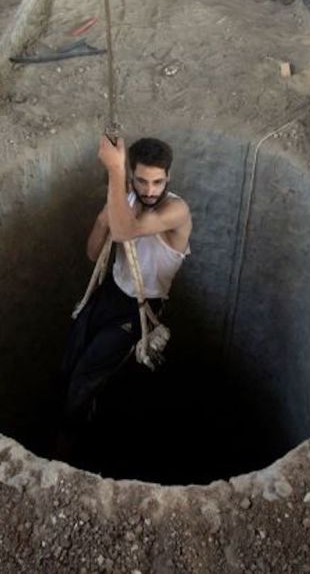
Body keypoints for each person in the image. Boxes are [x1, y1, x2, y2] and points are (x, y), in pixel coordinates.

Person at [59, 135, 192, 443]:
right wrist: (101, 220)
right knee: (71, 359)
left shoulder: (176, 212)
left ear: (168, 178)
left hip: (140, 308)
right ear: (133, 177)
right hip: (111, 292)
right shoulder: (125, 202)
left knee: (87, 373)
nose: (149, 190)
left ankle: (69, 438)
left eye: (158, 182)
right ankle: (75, 413)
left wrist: (115, 171)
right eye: (142, 181)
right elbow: (94, 254)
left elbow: (126, 231)